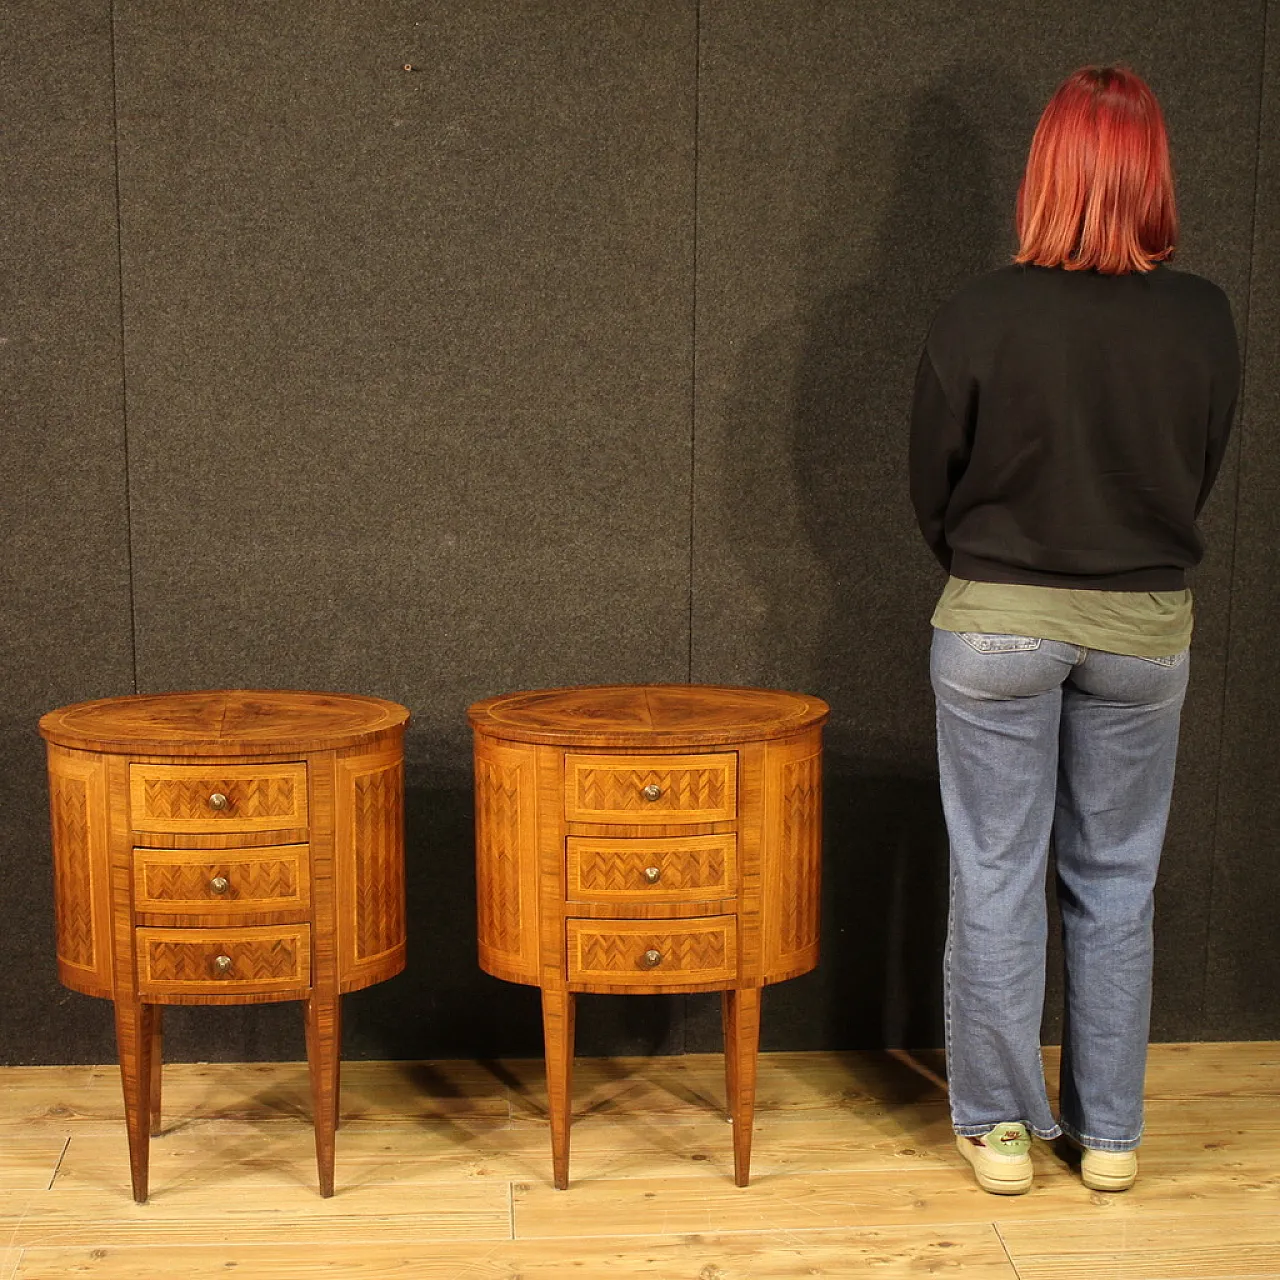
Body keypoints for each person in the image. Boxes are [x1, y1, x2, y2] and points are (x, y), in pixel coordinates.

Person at [909, 65, 1239, 1196]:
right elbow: (1196, 468)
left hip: (996, 620)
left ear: (1044, 171)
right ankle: (1109, 1137)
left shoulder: (978, 312)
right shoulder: (1203, 316)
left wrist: (995, 569)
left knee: (996, 873)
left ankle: (1001, 1130)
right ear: (1153, 174)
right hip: (1143, 627)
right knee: (1115, 880)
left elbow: (932, 485)